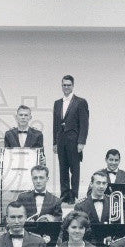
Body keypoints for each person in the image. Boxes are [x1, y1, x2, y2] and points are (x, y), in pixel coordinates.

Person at [52, 75, 89, 203]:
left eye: (68, 85)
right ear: (61, 86)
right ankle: (64, 194)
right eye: (64, 85)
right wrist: (55, 142)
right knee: (63, 168)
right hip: (61, 140)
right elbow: (55, 124)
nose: (66, 87)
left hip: (74, 140)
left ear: (73, 86)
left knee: (75, 169)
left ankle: (73, 195)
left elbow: (84, 123)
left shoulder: (80, 102)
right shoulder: (57, 103)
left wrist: (81, 142)